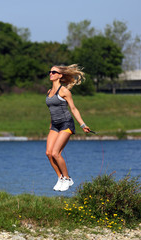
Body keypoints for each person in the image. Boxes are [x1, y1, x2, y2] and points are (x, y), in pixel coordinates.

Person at [45, 64, 91, 192]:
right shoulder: (49, 92)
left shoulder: (64, 91)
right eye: (50, 71)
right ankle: (60, 178)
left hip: (66, 124)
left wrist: (83, 124)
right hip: (54, 125)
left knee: (56, 153)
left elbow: (73, 109)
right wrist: (51, 126)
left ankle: (67, 178)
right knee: (49, 153)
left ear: (60, 75)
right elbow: (52, 111)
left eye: (54, 72)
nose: (51, 73)